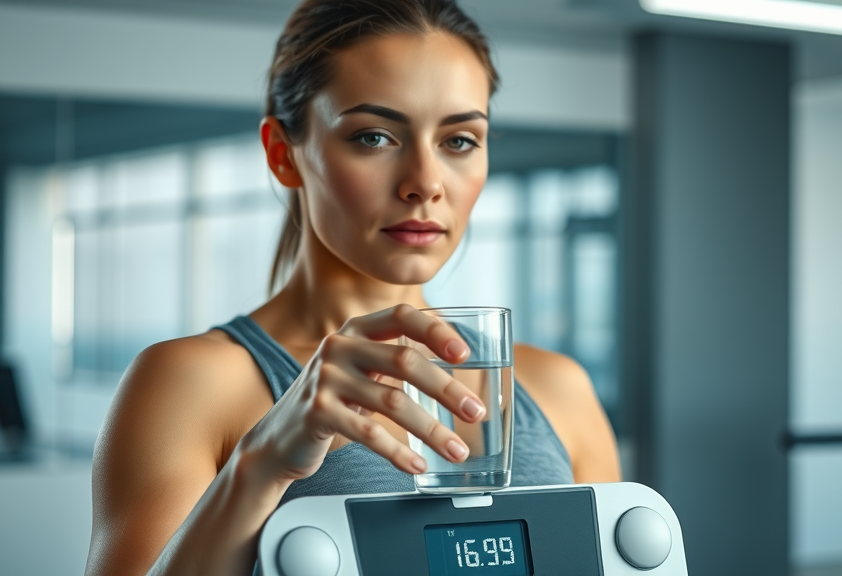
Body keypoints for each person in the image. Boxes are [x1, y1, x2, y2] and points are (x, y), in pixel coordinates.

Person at [84, 1, 620, 574]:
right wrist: (259, 467)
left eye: (460, 140)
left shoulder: (557, 390)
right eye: (374, 137)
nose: (425, 183)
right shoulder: (191, 384)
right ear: (282, 153)